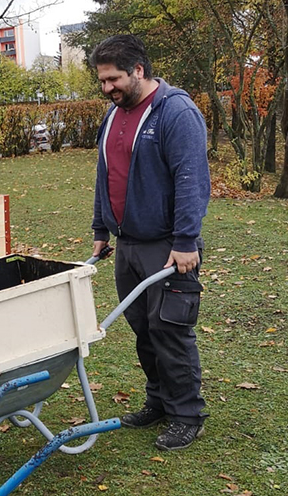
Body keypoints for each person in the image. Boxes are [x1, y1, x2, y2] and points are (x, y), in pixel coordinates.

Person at [89, 34, 210, 451]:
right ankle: (159, 401)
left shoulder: (175, 113)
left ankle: (186, 414)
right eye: (102, 81)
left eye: (114, 79)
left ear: (139, 70)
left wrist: (185, 241)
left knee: (170, 329)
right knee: (143, 328)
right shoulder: (113, 114)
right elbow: (106, 173)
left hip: (168, 246)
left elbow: (192, 180)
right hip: (128, 245)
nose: (107, 88)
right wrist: (100, 230)